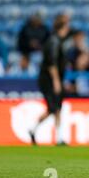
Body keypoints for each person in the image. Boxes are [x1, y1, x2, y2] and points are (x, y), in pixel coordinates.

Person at [29, 14, 70, 146]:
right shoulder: (54, 41)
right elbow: (52, 64)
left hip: (52, 80)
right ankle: (33, 129)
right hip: (49, 81)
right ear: (62, 28)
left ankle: (58, 138)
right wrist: (56, 81)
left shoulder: (56, 40)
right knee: (53, 108)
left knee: (57, 108)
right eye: (66, 27)